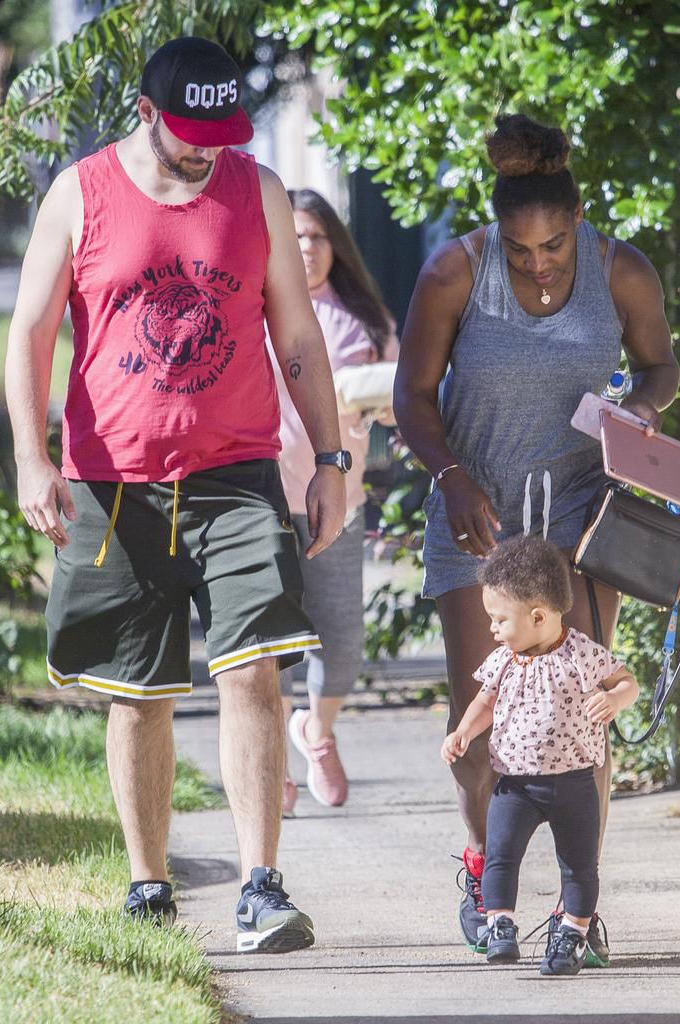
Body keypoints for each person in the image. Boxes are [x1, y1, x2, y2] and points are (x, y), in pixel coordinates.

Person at [4, 37, 354, 955]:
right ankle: (147, 883)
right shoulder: (80, 193)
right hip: (112, 482)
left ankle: (261, 886)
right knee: (138, 691)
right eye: (189, 133)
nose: (205, 151)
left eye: (218, 134)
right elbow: (31, 331)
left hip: (235, 474)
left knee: (257, 666)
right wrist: (29, 458)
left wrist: (329, 460)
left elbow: (300, 338)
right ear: (148, 113)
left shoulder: (257, 191)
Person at [393, 112, 680, 963]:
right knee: (484, 722)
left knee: (579, 718)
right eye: (522, 251)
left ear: (578, 222)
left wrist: (640, 407)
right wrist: (448, 475)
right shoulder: (455, 272)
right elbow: (413, 394)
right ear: (498, 236)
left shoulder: (620, 269)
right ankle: (488, 880)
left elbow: (662, 366)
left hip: (579, 520)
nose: (540, 263)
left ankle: (576, 913)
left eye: (554, 245)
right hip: (477, 517)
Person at [441, 536, 638, 976]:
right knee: (501, 856)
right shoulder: (504, 660)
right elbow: (484, 703)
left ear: (537, 616)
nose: (492, 628)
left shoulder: (582, 654)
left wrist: (616, 701)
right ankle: (500, 926)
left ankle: (572, 931)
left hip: (574, 783)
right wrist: (463, 731)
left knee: (580, 865)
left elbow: (627, 682)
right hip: (514, 785)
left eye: (499, 619)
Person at [270, 188, 398, 812]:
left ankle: (316, 732)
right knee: (271, 645)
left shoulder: (366, 321)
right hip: (262, 497)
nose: (307, 248)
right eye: (294, 236)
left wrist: (376, 400)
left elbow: (404, 401)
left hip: (337, 498)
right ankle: (272, 765)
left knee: (342, 643)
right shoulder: (255, 306)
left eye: (317, 236)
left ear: (334, 244)